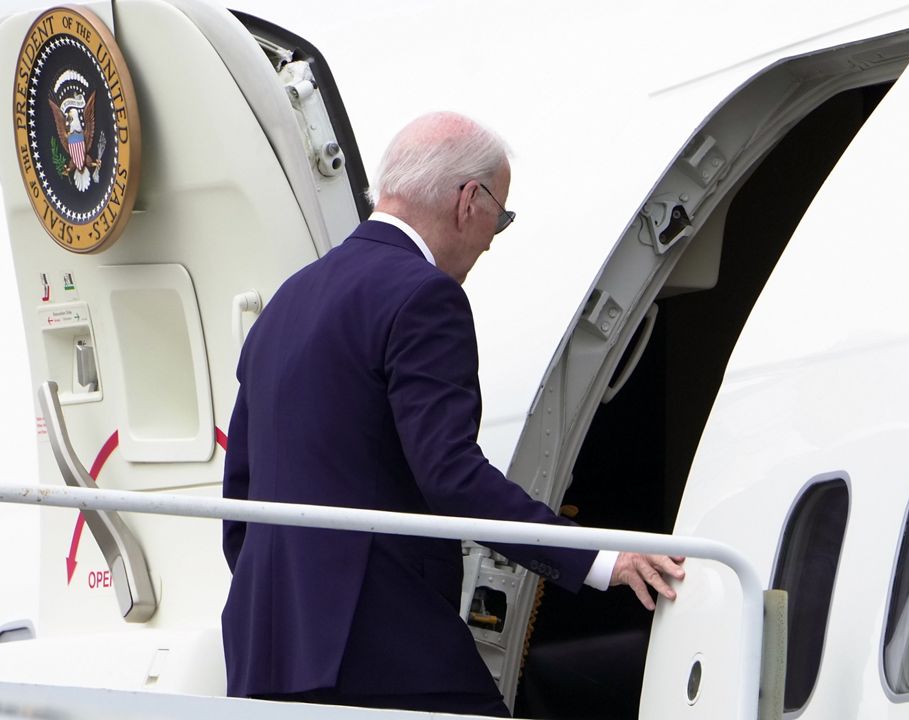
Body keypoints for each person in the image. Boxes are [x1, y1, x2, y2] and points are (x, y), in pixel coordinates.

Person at [221, 111, 685, 717]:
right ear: (470, 200)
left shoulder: (288, 300)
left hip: (265, 648)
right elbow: (450, 474)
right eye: (503, 215)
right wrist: (600, 558)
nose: (494, 237)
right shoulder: (424, 295)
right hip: (380, 646)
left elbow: (240, 500)